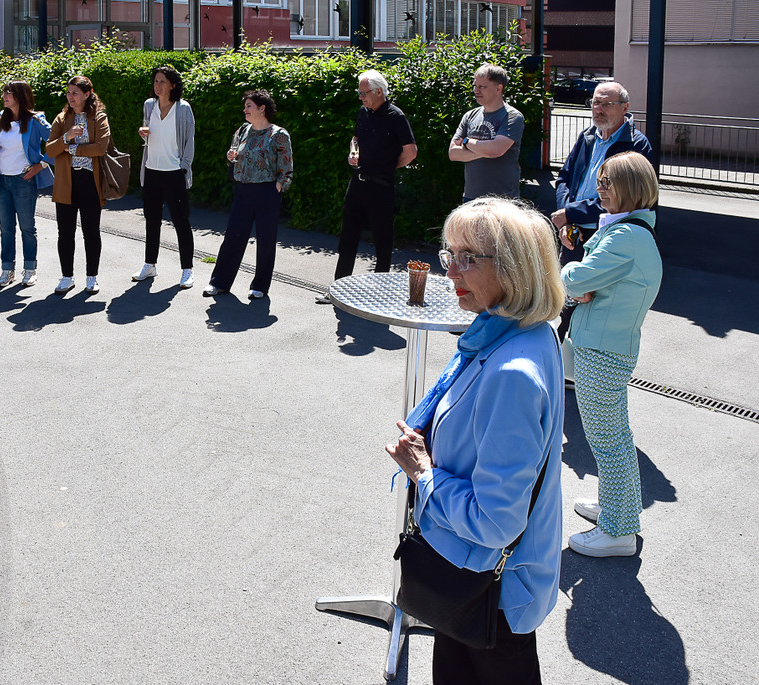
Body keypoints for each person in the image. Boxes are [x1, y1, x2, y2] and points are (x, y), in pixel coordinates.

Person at [385, 197, 565, 683]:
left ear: (514, 269)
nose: (450, 271)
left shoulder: (511, 372)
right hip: (476, 576)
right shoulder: (521, 332)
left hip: (489, 589)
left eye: (468, 258)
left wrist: (423, 473)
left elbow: (494, 521)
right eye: (451, 254)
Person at [562, 151, 662, 558]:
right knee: (615, 437)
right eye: (600, 181)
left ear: (632, 188)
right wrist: (582, 284)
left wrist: (571, 279)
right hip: (606, 347)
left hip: (602, 351)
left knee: (609, 441)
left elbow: (576, 278)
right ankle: (618, 510)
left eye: (608, 183)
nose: (600, 189)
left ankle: (618, 532)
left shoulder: (626, 238)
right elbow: (588, 282)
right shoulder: (632, 232)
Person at [551, 82, 653, 344]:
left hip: (606, 234)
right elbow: (564, 178)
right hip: (574, 233)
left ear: (625, 108)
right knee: (566, 300)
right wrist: (566, 217)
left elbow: (624, 198)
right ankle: (561, 358)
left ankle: (579, 361)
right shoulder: (587, 136)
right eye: (595, 103)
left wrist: (569, 213)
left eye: (607, 104)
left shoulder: (635, 145)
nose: (599, 109)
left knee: (592, 302)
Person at [315, 69, 416, 304]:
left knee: (382, 240)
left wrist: (388, 167)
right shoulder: (363, 112)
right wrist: (353, 152)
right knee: (347, 238)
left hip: (381, 186)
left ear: (379, 92)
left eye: (364, 93)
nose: (361, 97)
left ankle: (380, 295)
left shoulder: (396, 116)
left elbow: (411, 152)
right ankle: (338, 290)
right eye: (359, 93)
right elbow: (355, 139)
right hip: (357, 183)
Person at [203, 90, 293, 300]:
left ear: (262, 108)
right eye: (245, 106)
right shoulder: (243, 130)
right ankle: (219, 283)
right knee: (233, 237)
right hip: (244, 190)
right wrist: (230, 157)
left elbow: (286, 168)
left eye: (249, 106)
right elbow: (234, 155)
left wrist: (278, 187)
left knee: (266, 241)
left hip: (267, 192)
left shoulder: (279, 134)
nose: (245, 110)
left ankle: (260, 286)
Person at [0, 80, 53, 288]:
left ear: (21, 96)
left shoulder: (35, 120)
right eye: (4, 92)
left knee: (27, 227)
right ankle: (7, 270)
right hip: (1, 180)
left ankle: (30, 269)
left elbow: (56, 142)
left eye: (9, 93)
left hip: (24, 180)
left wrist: (41, 165)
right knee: (6, 228)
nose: (4, 96)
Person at [46, 76, 111, 295]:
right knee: (65, 232)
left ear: (87, 94)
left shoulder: (99, 117)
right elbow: (50, 150)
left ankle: (92, 277)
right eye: (68, 92)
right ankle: (67, 277)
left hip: (90, 181)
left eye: (75, 93)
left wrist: (72, 149)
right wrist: (66, 137)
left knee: (91, 231)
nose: (70, 97)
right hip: (66, 181)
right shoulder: (62, 118)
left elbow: (100, 148)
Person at [134, 65, 196, 289]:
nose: (157, 85)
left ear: (173, 85)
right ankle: (150, 264)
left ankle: (187, 270)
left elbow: (189, 140)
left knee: (181, 221)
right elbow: (148, 133)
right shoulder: (149, 105)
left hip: (174, 173)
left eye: (162, 81)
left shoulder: (183, 108)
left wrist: (183, 167)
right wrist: (142, 133)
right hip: (152, 170)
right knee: (152, 220)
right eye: (155, 81)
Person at [448, 63, 525, 201]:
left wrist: (466, 142)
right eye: (475, 86)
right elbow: (453, 154)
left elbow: (495, 150)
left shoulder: (512, 116)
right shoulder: (469, 116)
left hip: (503, 201)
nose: (476, 91)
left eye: (482, 87)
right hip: (471, 199)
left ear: (498, 88)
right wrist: (486, 151)